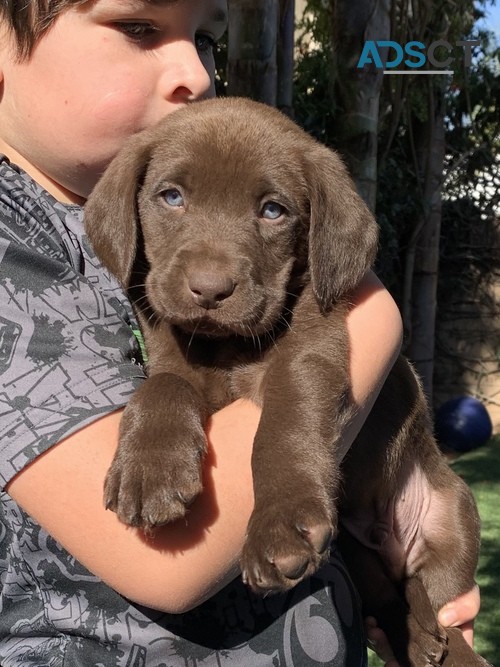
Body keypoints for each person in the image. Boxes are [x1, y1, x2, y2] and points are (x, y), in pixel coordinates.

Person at [0, 1, 480, 665]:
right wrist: (377, 314)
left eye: (206, 39)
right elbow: (164, 561)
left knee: (437, 591)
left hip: (365, 538)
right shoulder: (15, 241)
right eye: (138, 27)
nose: (193, 73)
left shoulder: (108, 221)